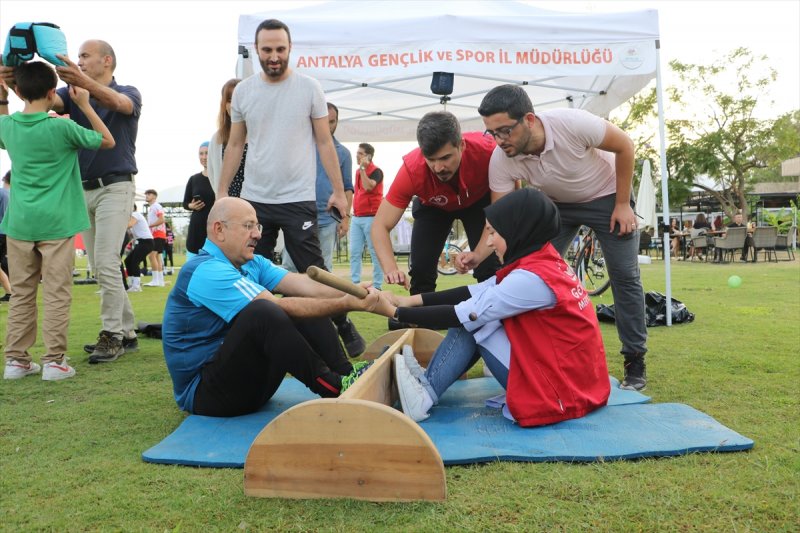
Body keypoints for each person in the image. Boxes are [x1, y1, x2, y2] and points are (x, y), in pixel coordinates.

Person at [463, 84, 647, 391]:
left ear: (529, 120)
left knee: (624, 276)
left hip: (607, 198)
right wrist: (477, 255)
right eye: (492, 133)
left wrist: (623, 204)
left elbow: (625, 145)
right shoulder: (502, 158)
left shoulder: (572, 123)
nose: (499, 140)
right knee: (523, 272)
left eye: (505, 131)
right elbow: (501, 221)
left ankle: (635, 359)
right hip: (557, 207)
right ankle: (528, 353)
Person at [375, 188, 610, 425]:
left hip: (562, 394)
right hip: (574, 383)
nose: (488, 242)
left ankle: (424, 394)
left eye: (493, 232)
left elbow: (466, 312)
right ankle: (427, 382)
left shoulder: (531, 278)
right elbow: (475, 291)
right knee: (475, 313)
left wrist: (394, 312)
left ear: (517, 230)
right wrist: (407, 301)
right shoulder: (542, 261)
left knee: (475, 320)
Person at [216, 19, 362, 356]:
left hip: (298, 199)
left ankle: (342, 323)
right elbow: (235, 144)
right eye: (267, 49)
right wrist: (222, 193)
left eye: (280, 49)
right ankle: (254, 342)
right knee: (249, 271)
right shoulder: (244, 92)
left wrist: (338, 192)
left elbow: (324, 142)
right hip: (255, 200)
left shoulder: (310, 88)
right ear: (257, 50)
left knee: (315, 272)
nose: (274, 56)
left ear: (290, 49)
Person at [162, 197, 376, 417]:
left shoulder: (252, 262)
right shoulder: (204, 270)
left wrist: (358, 291)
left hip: (250, 385)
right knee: (263, 311)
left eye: (258, 226)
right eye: (248, 226)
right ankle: (334, 387)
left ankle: (347, 375)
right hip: (207, 396)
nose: (257, 234)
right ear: (219, 230)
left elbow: (306, 285)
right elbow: (273, 307)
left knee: (297, 299)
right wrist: (346, 303)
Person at [1, 39, 143, 363]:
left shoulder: (128, 92)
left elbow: (118, 103)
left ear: (107, 60)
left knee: (105, 261)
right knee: (99, 265)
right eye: (77, 56)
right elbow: (39, 96)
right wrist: (13, 77)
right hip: (82, 189)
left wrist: (82, 87)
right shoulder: (69, 93)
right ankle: (128, 331)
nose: (78, 61)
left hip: (115, 186)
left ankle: (112, 335)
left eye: (84, 55)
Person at [370, 111, 501, 328]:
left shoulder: (490, 153)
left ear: (461, 146)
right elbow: (380, 226)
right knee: (421, 271)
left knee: (489, 268)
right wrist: (390, 268)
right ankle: (416, 331)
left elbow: (502, 215)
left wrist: (478, 254)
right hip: (433, 206)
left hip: (479, 202)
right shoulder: (412, 170)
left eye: (445, 158)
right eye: (431, 159)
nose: (439, 168)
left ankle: (492, 325)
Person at [279, 102, 364, 355]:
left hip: (326, 220)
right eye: (323, 120)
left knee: (321, 274)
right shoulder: (297, 147)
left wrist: (345, 217)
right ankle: (302, 329)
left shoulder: (342, 153)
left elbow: (348, 187)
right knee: (288, 272)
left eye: (332, 121)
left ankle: (338, 325)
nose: (327, 125)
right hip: (296, 218)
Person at [349, 143, 384, 289]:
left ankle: (377, 285)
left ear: (368, 156)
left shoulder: (377, 171)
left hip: (372, 217)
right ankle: (355, 285)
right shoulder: (358, 172)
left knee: (375, 252)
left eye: (360, 153)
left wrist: (363, 169)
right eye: (357, 153)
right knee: (354, 252)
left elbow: (369, 186)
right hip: (356, 217)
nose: (357, 155)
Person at [207, 79, 247, 197]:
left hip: (258, 201)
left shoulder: (259, 134)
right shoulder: (218, 138)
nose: (234, 105)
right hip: (229, 202)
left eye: (239, 99)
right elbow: (213, 173)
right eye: (229, 100)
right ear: (224, 105)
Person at [183, 141, 215, 258]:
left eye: (207, 153)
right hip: (196, 229)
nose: (204, 157)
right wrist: (191, 206)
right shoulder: (194, 179)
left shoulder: (221, 177)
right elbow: (185, 203)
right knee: (193, 265)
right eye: (201, 154)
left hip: (215, 228)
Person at [124, 204, 153, 292]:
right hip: (141, 242)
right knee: (127, 261)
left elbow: (129, 225)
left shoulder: (135, 214)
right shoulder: (133, 216)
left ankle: (136, 286)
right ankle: (131, 283)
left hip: (146, 242)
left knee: (134, 262)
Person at [144, 189, 167, 287]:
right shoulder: (152, 207)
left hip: (158, 234)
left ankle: (155, 280)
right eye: (146, 194)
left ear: (154, 196)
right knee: (157, 257)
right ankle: (160, 281)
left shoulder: (156, 206)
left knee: (151, 256)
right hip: (157, 234)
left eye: (148, 194)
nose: (146, 196)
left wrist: (149, 226)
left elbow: (162, 219)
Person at [0, 170, 12, 301]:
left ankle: (9, 292)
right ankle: (9, 293)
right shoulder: (13, 195)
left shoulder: (1, 193)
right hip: (7, 233)